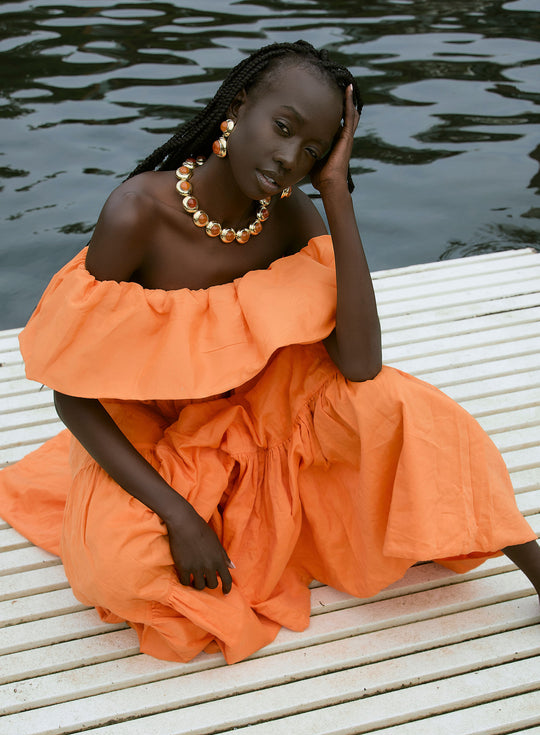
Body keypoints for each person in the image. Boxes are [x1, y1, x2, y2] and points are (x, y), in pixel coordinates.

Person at [0, 41, 538, 664]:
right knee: (120, 573)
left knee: (400, 407)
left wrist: (336, 192)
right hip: (150, 430)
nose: (289, 159)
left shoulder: (287, 213)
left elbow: (359, 363)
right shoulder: (137, 212)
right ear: (238, 106)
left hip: (254, 415)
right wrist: (179, 518)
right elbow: (74, 395)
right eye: (283, 129)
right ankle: (221, 518)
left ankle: (533, 562)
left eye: (311, 151)